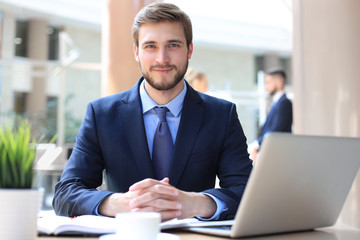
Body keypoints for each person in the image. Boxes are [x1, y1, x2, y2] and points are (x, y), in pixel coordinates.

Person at [53, 3, 252, 222]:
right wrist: (120, 203)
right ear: (136, 52)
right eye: (150, 46)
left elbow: (247, 191)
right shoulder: (101, 115)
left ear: (190, 50)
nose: (162, 59)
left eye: (173, 45)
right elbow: (66, 193)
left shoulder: (221, 115)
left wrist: (193, 202)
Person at [249, 69, 293, 162]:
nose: (266, 86)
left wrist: (257, 144)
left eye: (269, 82)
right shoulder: (277, 102)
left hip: (279, 153)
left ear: (279, 82)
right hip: (273, 152)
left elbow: (276, 129)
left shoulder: (284, 102)